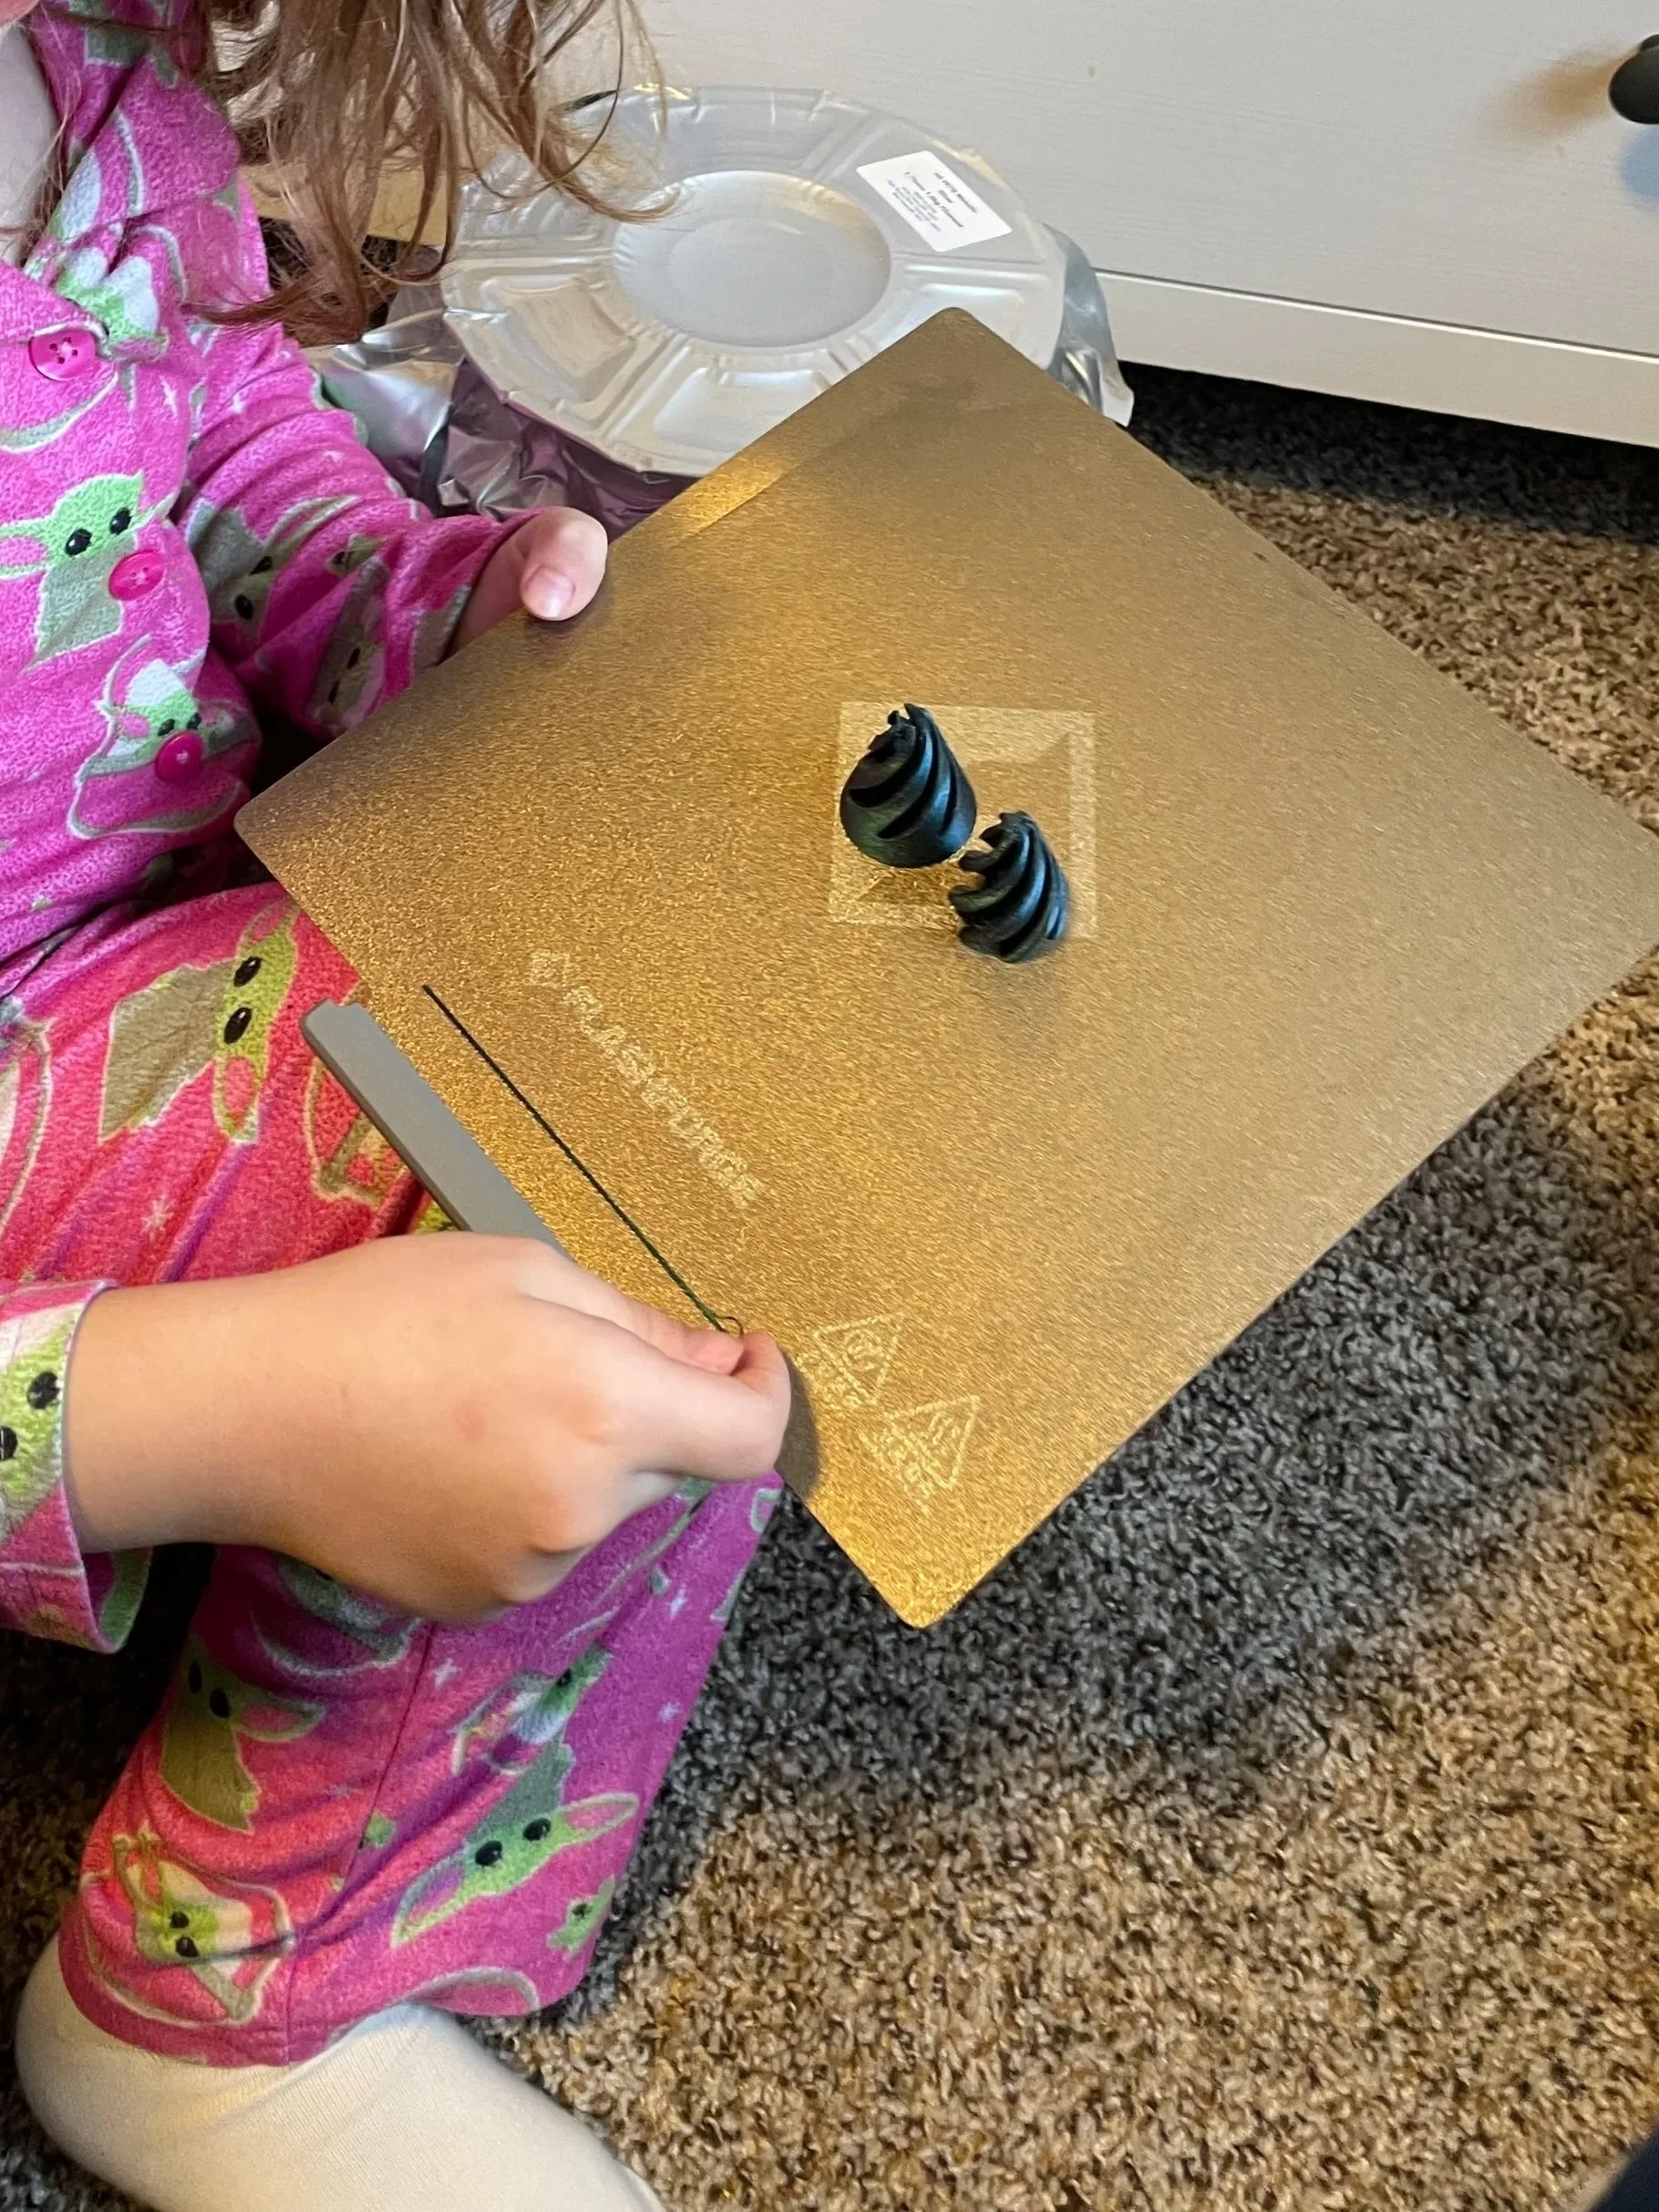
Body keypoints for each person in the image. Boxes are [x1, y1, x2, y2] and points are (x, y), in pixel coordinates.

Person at [0, 0, 794, 2205]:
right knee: (561, 1143)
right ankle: (222, 2005)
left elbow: (223, 439)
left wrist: (416, 620)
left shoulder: (76, 69)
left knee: (694, 967)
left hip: (160, 922)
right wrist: (211, 1404)